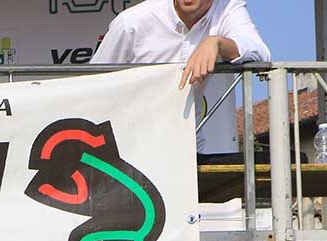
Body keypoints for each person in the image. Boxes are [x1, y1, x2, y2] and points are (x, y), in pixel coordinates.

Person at [90, 0, 270, 154]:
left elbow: (260, 52)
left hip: (189, 153)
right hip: (130, 150)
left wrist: (216, 42)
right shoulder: (132, 22)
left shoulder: (227, 8)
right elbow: (91, 84)